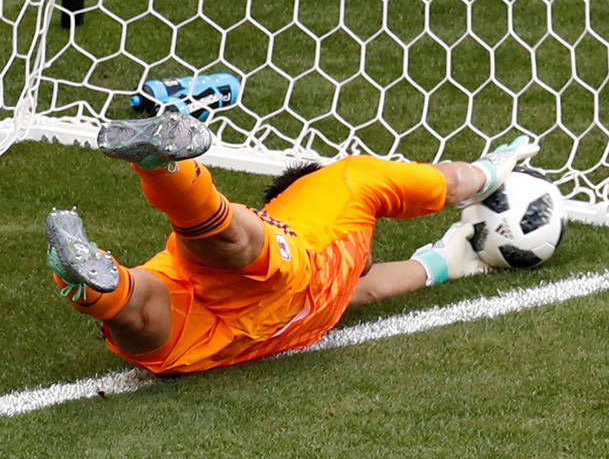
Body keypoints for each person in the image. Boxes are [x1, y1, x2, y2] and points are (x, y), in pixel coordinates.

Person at [46, 112, 539, 374]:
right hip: (279, 274)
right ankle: (166, 165)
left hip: (218, 335)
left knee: (140, 312)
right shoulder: (341, 185)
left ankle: (94, 287)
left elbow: (369, 287)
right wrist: (491, 168)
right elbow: (447, 183)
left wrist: (450, 261)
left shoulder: (343, 283)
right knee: (234, 244)